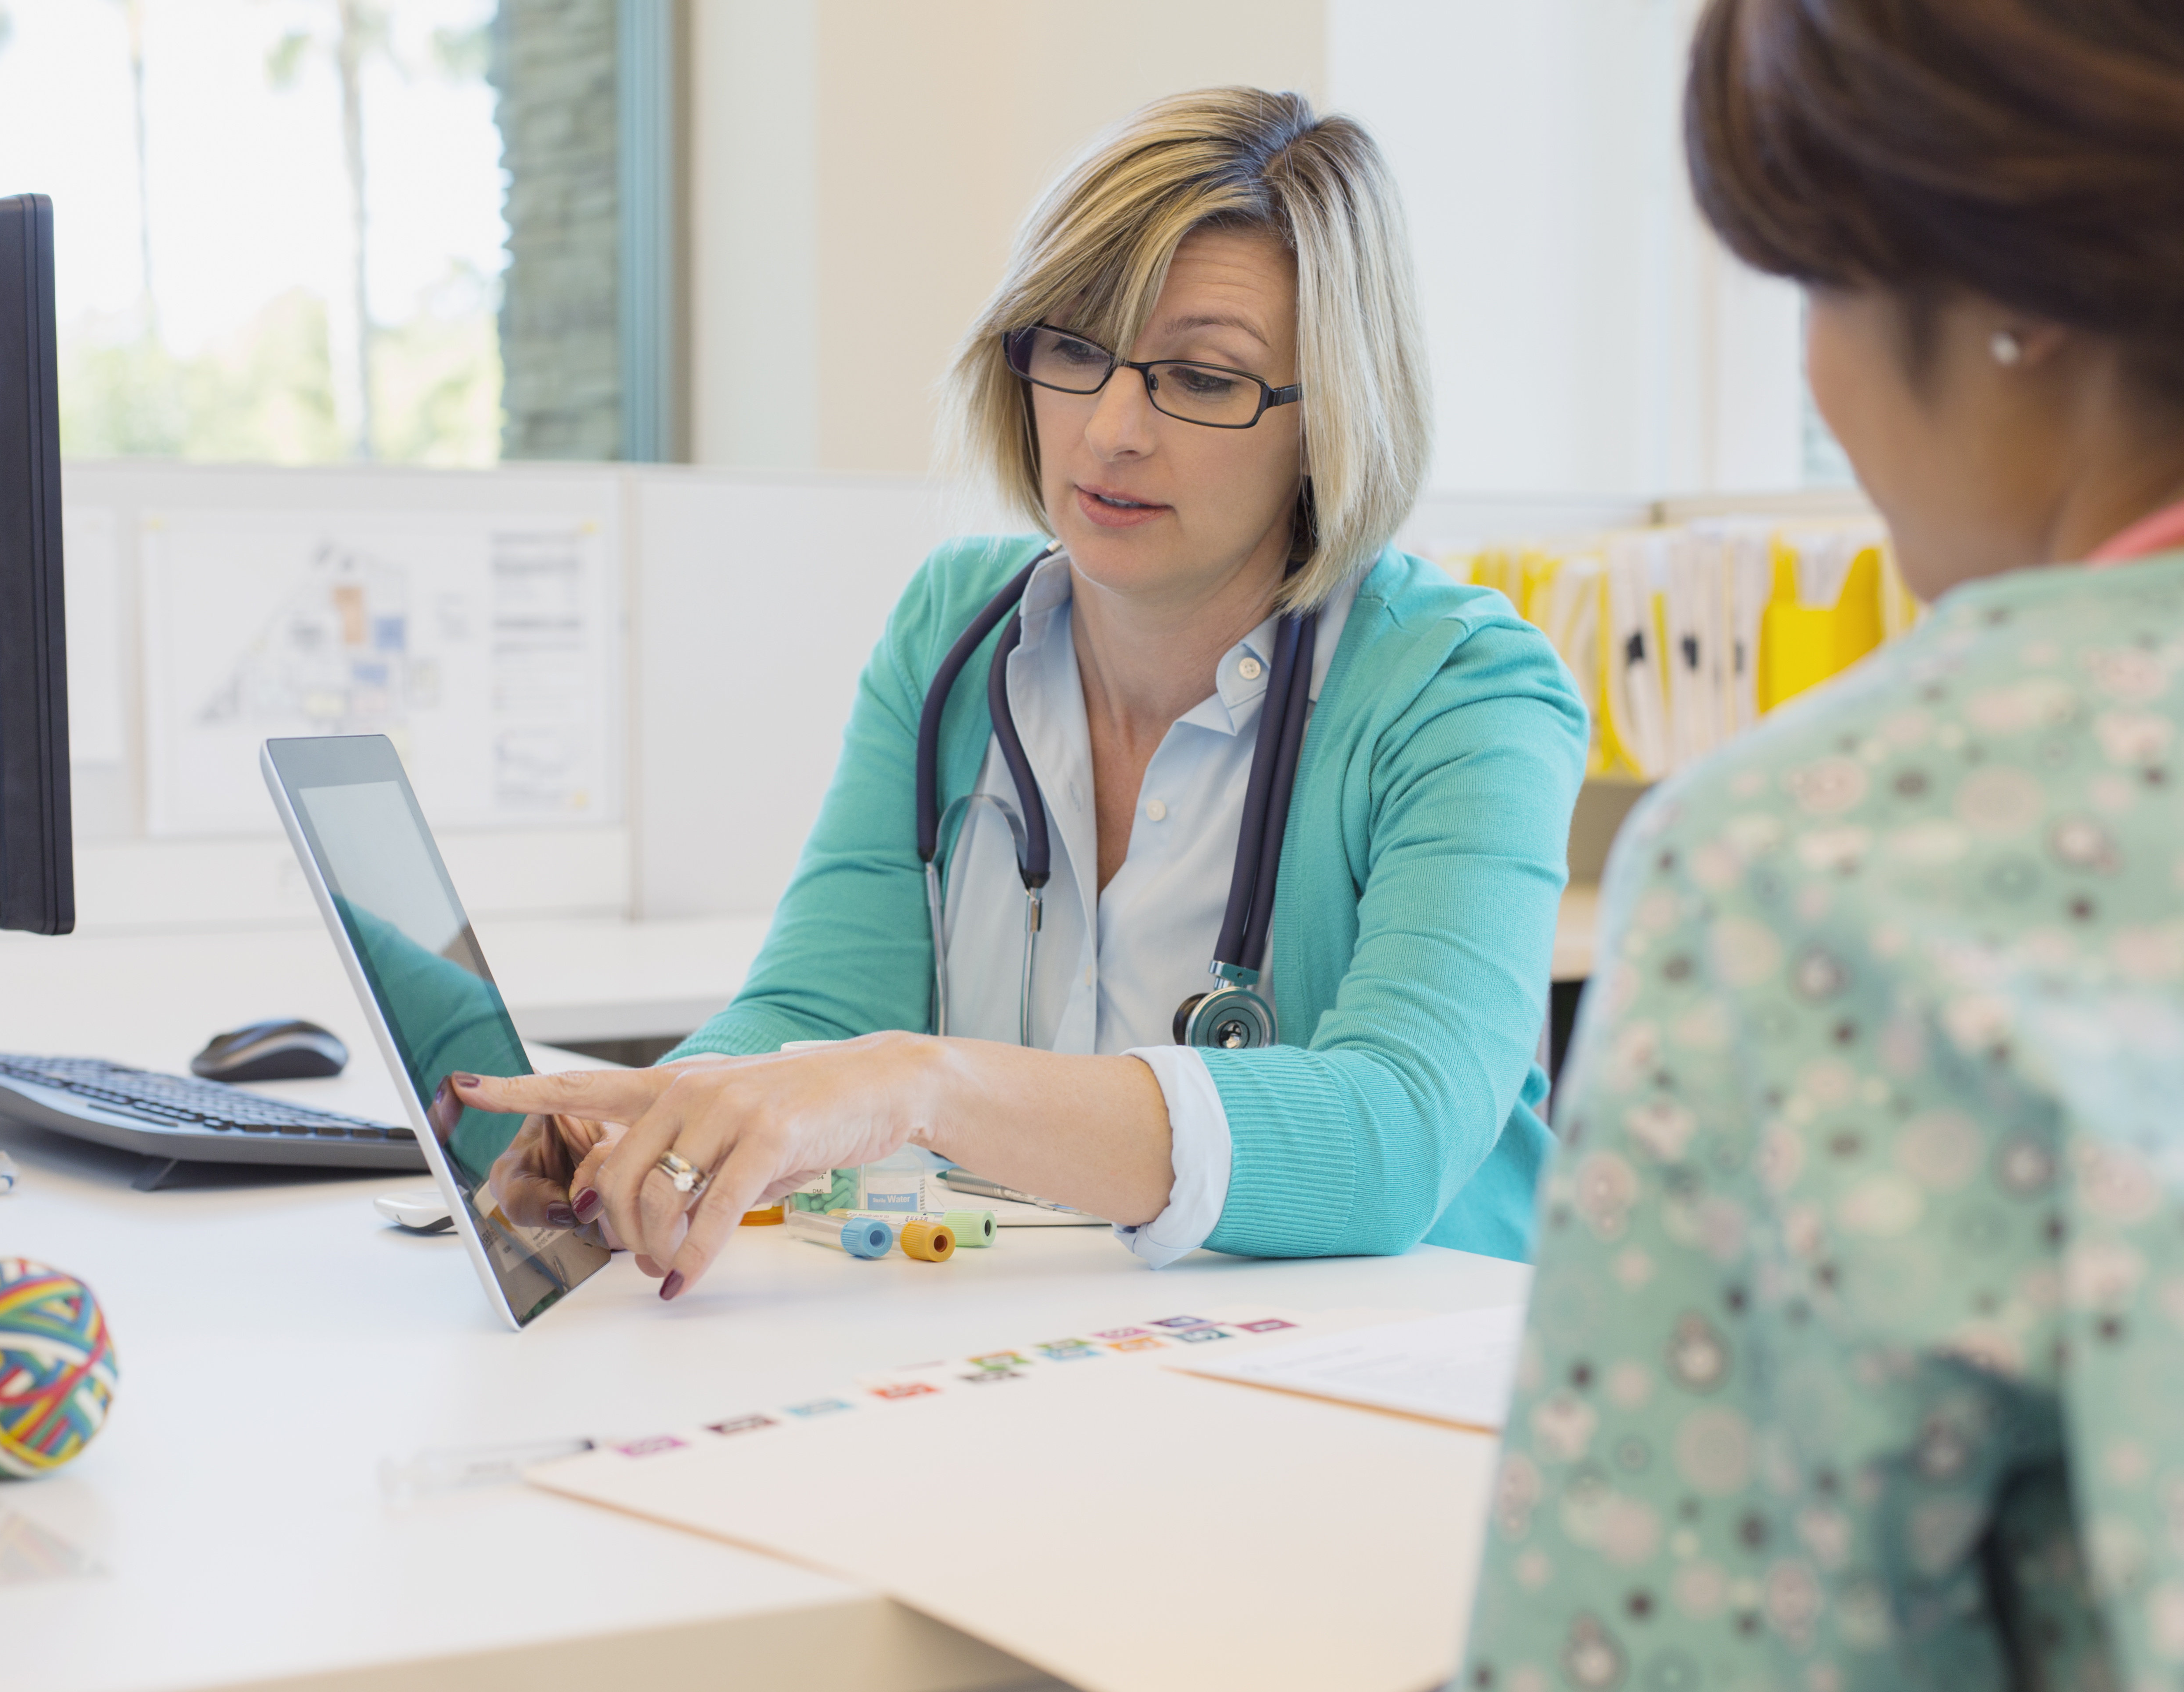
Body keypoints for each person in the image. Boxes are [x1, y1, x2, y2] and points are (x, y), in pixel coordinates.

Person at [462, 87, 1587, 1300]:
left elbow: (1393, 1135)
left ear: (1334, 420)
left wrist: (924, 1085)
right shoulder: (957, 634)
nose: (1108, 430)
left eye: (1203, 379)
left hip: (1410, 1391)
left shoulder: (1465, 694)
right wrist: (664, 1120)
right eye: (1075, 348)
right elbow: (819, 1008)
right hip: (1060, 1372)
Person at [1458, 1, 2184, 1687]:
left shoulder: (1811, 860)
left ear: (2018, 295)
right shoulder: (966, 637)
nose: (1818, 380)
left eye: (1817, 281)